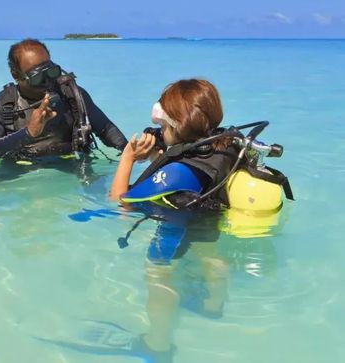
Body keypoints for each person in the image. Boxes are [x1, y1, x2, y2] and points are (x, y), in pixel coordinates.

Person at [107, 79, 291, 362]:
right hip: (211, 217)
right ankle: (212, 305)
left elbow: (121, 203)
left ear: (176, 126)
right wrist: (161, 147)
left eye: (163, 123)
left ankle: (157, 346)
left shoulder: (179, 172)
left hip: (177, 223)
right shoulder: (227, 144)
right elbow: (184, 152)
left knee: (157, 272)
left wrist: (129, 158)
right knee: (209, 253)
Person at [0, 39, 127, 168]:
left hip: (71, 167)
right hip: (22, 175)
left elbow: (106, 129)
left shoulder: (72, 95)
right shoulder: (2, 108)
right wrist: (29, 133)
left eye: (52, 72)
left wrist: (130, 151)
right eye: (37, 78)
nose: (48, 82)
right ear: (16, 75)